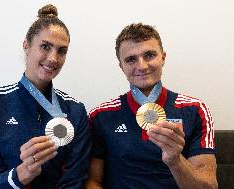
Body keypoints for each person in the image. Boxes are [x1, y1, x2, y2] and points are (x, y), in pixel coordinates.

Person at [0, 4, 90, 189]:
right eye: (45, 46)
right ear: (26, 45)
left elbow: (75, 180)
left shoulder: (75, 110)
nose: (53, 58)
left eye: (62, 51)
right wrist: (20, 175)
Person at [86, 23, 217, 189]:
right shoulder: (101, 115)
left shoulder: (196, 110)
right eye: (131, 59)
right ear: (121, 66)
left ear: (163, 57)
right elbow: (92, 181)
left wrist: (175, 160)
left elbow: (209, 186)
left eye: (149, 55)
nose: (141, 66)